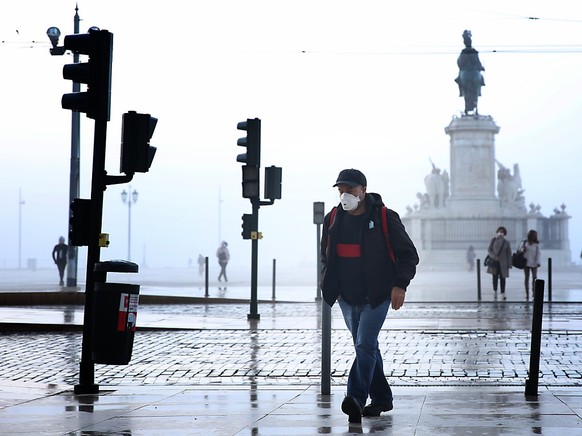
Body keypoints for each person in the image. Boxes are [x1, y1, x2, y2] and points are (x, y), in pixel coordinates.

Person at [320, 169, 419, 423]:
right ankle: (382, 397)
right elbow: (326, 255)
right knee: (366, 346)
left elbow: (409, 254)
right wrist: (333, 288)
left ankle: (355, 397)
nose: (345, 195)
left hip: (378, 295)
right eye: (341, 190)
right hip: (347, 297)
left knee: (364, 343)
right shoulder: (332, 219)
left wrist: (400, 284)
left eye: (350, 190)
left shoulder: (385, 217)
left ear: (363, 190)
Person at [486, 227, 512, 299]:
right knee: (494, 277)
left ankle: (502, 292)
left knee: (503, 278)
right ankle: (495, 291)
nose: (500, 233)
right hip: (494, 262)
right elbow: (489, 249)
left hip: (503, 263)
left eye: (502, 232)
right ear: (497, 232)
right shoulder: (493, 240)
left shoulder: (506, 242)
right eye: (499, 231)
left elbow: (509, 254)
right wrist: (494, 257)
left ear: (504, 233)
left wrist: (509, 264)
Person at [521, 230, 541, 298]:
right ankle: (527, 293)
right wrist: (523, 250)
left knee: (534, 278)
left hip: (534, 263)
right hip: (525, 262)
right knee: (527, 278)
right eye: (533, 236)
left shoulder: (536, 244)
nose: (534, 237)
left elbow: (538, 254)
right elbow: (520, 250)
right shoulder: (525, 242)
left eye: (535, 236)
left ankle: (534, 292)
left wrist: (538, 262)